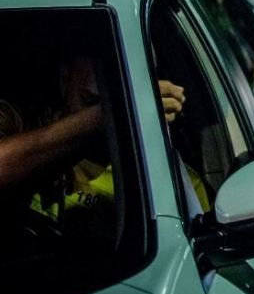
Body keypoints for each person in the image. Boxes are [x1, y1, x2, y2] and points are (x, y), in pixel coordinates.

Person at [0, 54, 189, 232]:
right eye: (89, 101)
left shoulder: (165, 179)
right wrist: (114, 110)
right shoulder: (21, 122)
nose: (107, 126)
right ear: (65, 80)